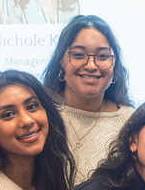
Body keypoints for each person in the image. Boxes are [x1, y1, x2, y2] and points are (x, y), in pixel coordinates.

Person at [41, 14, 133, 178]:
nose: (91, 65)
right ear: (61, 62)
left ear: (114, 65)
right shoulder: (42, 116)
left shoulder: (132, 123)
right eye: (78, 55)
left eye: (103, 56)